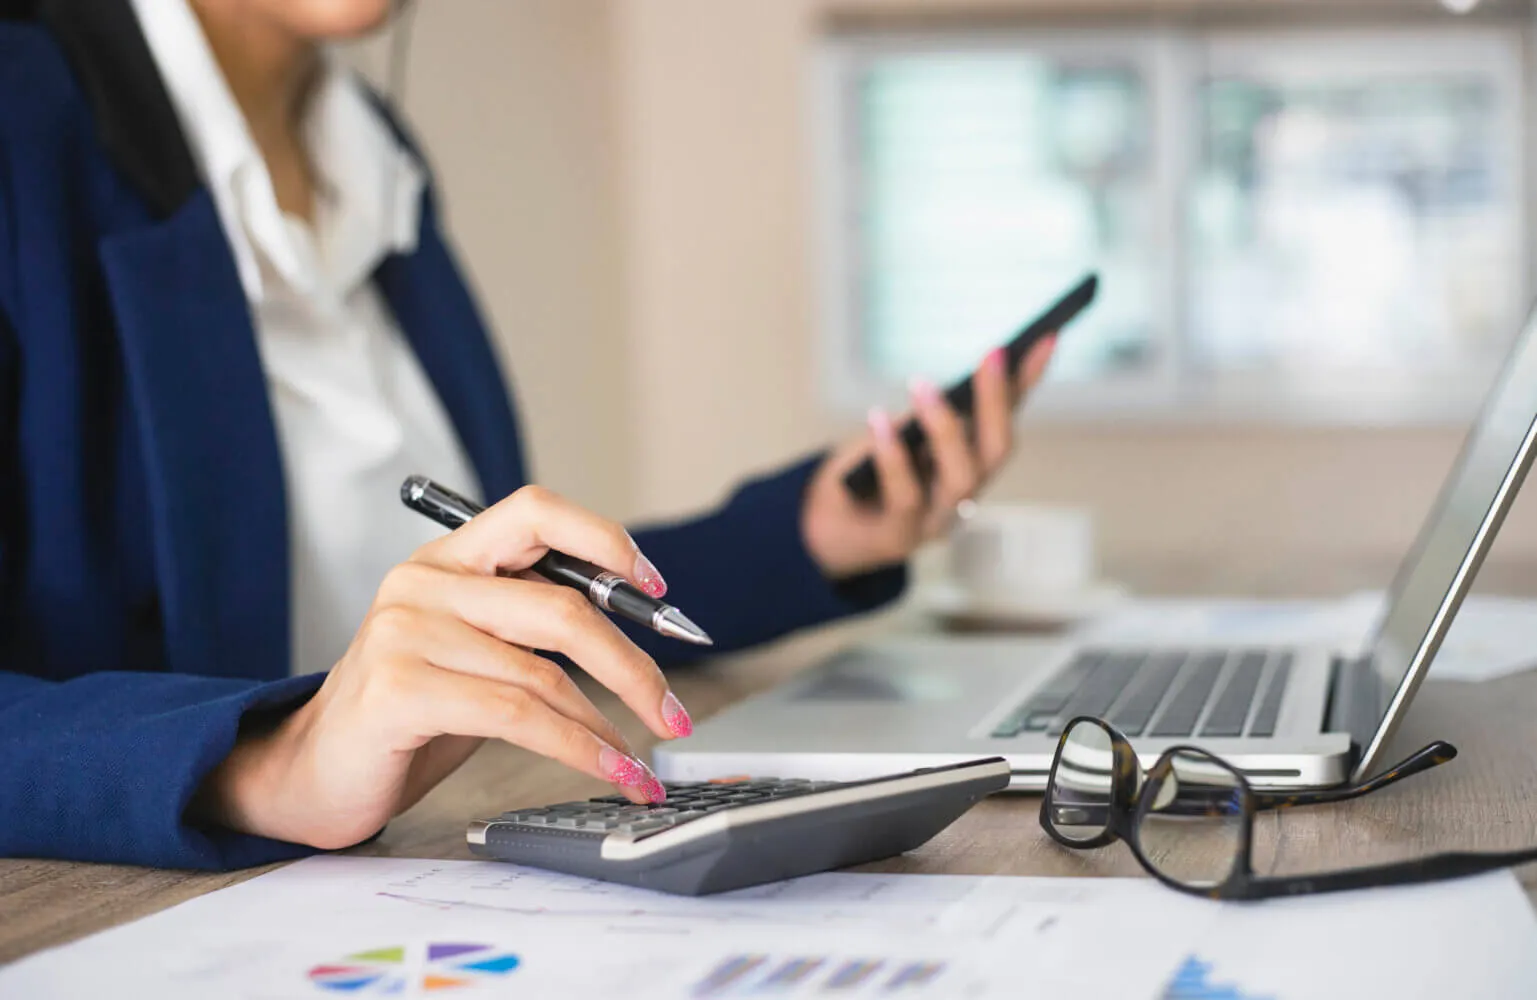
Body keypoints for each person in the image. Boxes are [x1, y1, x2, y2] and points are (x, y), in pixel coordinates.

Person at [0, 0, 1056, 870]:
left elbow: (518, 600)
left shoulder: (373, 156)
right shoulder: (22, 121)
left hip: (434, 872)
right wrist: (266, 762)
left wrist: (815, 533)